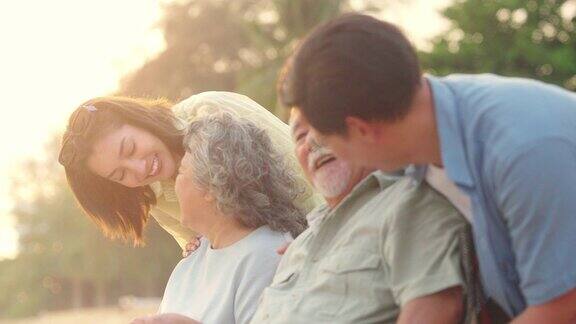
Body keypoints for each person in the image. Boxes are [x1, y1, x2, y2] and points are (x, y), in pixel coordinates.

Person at [279, 13, 576, 322]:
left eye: (322, 137)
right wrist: (314, 251)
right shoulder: (417, 139)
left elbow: (563, 307)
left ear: (361, 130)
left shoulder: (521, 151)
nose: (315, 147)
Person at [249, 109, 472, 323]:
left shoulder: (408, 203)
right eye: (300, 136)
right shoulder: (299, 246)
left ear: (361, 129)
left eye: (322, 124)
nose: (311, 142)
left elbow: (438, 309)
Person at [58, 92, 321, 250]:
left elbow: (312, 181)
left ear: (139, 120)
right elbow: (213, 255)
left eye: (130, 148)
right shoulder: (155, 195)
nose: (139, 170)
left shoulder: (214, 113)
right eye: (120, 175)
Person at [132, 113, 305, 324]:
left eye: (181, 173)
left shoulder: (268, 254)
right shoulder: (189, 264)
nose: (174, 185)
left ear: (211, 186)